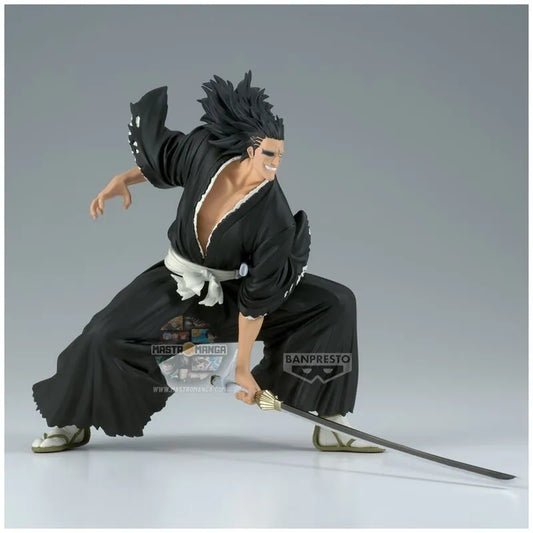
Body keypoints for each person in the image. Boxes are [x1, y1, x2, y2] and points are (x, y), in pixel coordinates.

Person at [31, 71, 384, 453]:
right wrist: (124, 179)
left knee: (335, 302)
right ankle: (70, 421)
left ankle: (332, 422)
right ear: (250, 150)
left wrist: (242, 367)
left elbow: (256, 300)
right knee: (101, 334)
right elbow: (168, 164)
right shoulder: (206, 151)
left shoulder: (274, 217)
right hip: (176, 283)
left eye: (281, 155)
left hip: (234, 295)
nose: (276, 163)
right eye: (269, 154)